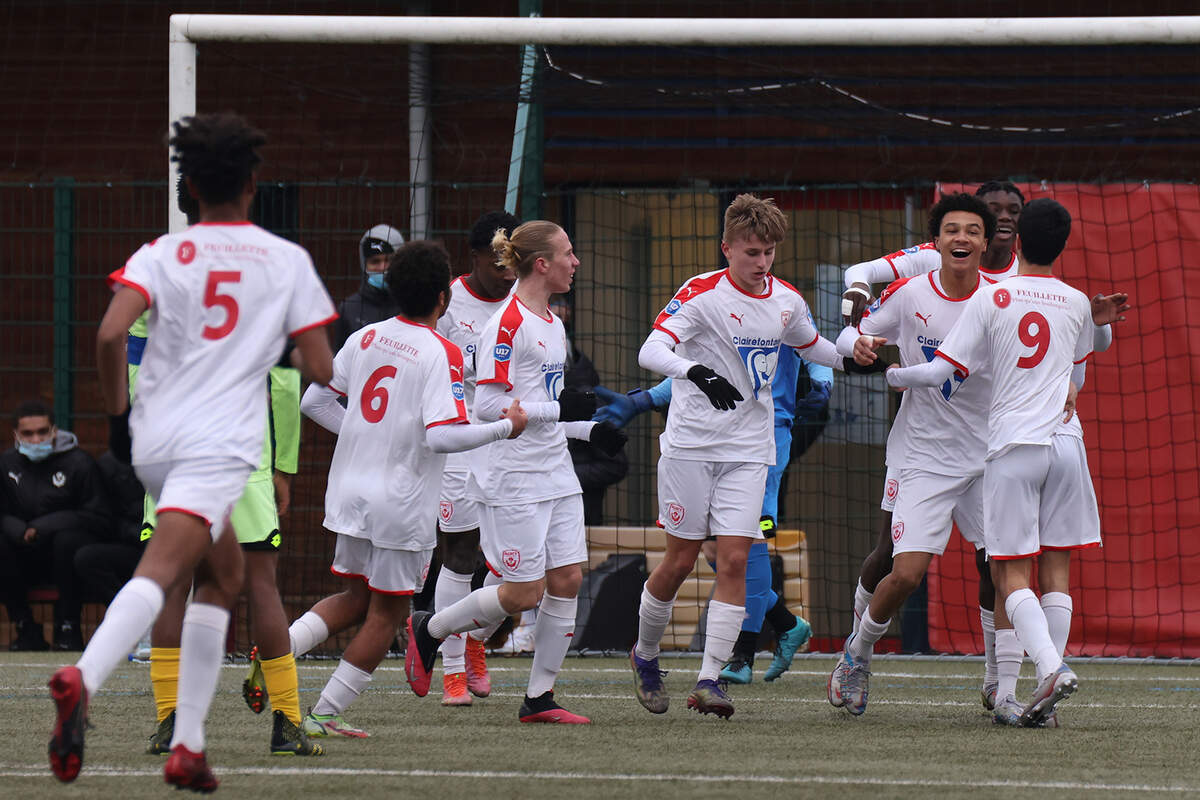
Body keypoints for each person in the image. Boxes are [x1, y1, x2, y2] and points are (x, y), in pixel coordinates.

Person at [49, 112, 337, 791]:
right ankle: (80, 679)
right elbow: (318, 368)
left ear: (191, 185)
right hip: (219, 445)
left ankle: (189, 745)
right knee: (162, 573)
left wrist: (117, 423)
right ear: (253, 183)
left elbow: (108, 334)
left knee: (222, 575)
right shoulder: (284, 259)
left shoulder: (159, 253)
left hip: (155, 438)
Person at [881, 198, 1129, 727]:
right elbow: (1079, 379)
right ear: (1063, 245)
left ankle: (1051, 669)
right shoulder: (1076, 300)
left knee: (1008, 572)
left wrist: (892, 375)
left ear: (1012, 242)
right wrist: (1099, 324)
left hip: (1015, 448)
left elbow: (938, 371)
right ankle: (1035, 700)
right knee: (1056, 569)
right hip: (1067, 446)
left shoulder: (995, 296)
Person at [291, 240, 529, 737]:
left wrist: (367, 435)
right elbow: (441, 435)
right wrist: (504, 427)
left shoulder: (365, 336)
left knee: (353, 598)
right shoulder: (440, 351)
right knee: (389, 612)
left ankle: (273, 654)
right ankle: (325, 713)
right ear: (443, 297)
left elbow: (314, 401)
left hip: (350, 490)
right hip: (400, 500)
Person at [627, 194, 846, 720]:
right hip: (691, 448)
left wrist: (853, 354)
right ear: (727, 248)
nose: (761, 262)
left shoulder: (787, 300)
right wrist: (694, 372)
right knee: (680, 561)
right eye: (751, 252)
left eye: (769, 251)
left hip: (751, 451)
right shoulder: (699, 293)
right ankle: (646, 654)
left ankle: (709, 680)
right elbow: (650, 351)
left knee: (734, 560)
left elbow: (813, 345)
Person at [405, 220, 627, 725]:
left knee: (568, 578)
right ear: (542, 264)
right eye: (568, 254)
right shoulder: (505, 324)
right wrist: (559, 408)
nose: (576, 262)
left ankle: (539, 699)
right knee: (523, 592)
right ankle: (431, 629)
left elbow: (546, 405)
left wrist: (586, 430)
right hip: (512, 475)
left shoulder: (553, 321)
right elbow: (488, 406)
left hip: (555, 470)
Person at [126, 176, 318, 759]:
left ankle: (167, 721)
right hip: (244, 454)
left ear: (187, 201)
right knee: (261, 584)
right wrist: (283, 464)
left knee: (172, 584)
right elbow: (285, 383)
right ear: (246, 193)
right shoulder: (270, 265)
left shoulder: (155, 265)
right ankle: (287, 722)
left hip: (175, 452)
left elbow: (137, 374)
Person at [827, 193, 999, 716]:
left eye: (972, 231)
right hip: (922, 453)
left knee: (999, 565)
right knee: (903, 573)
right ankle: (857, 655)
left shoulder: (1003, 298)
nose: (962, 239)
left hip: (989, 455)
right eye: (952, 230)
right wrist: (854, 344)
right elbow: (848, 338)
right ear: (938, 241)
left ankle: (998, 679)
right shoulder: (910, 294)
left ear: (985, 243)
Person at [594, 348, 830, 684]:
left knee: (747, 546)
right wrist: (642, 400)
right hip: (709, 439)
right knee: (710, 552)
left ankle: (742, 657)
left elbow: (816, 349)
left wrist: (823, 383)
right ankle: (786, 624)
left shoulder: (783, 301)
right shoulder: (704, 302)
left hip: (762, 437)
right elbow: (693, 373)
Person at [430, 209, 520, 706]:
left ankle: (478, 642)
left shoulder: (529, 302)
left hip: (512, 443)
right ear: (475, 257)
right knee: (460, 555)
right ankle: (452, 669)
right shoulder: (447, 300)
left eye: (514, 260)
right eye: (497, 260)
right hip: (461, 447)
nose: (507, 270)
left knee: (520, 563)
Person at [1, 400, 110, 651]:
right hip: (23, 555)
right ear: (16, 435)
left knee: (68, 542)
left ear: (54, 431)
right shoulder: (6, 464)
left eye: (42, 431)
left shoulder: (79, 463)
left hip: (66, 559)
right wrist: (17, 529)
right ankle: (25, 628)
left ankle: (68, 627)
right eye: (28, 433)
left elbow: (99, 517)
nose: (36, 439)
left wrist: (45, 526)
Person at [551, 293, 629, 526]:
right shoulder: (525, 398)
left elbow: (615, 465)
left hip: (581, 521)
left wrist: (561, 476)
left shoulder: (587, 398)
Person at [331, 224, 405, 351]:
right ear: (364, 265)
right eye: (375, 261)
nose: (382, 267)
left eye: (389, 260)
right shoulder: (348, 308)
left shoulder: (412, 306)